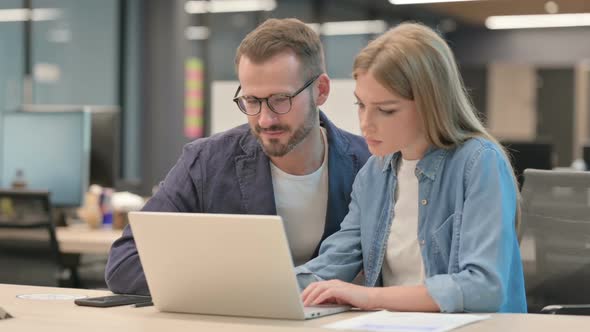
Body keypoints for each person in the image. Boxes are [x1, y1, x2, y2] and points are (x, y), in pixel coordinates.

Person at [105, 18, 370, 295]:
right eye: (252, 101)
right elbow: (125, 263)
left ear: (321, 90)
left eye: (281, 99)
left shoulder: (370, 165)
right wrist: (239, 290)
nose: (265, 119)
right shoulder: (207, 162)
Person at [295, 22, 527, 313]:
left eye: (386, 110)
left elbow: (484, 287)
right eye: (361, 105)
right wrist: (270, 287)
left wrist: (369, 297)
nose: (366, 123)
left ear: (431, 104)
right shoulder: (373, 174)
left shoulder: (479, 163)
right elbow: (335, 261)